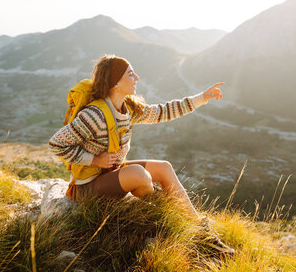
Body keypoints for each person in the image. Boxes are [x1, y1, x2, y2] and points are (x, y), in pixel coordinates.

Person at [48, 54, 234, 254]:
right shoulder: (95, 116)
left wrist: (202, 98)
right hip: (87, 187)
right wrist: (94, 159)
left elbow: (162, 112)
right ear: (116, 82)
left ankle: (201, 232)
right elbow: (56, 144)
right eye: (130, 74)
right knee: (139, 174)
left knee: (164, 168)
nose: (136, 77)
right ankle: (169, 214)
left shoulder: (127, 108)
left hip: (111, 174)